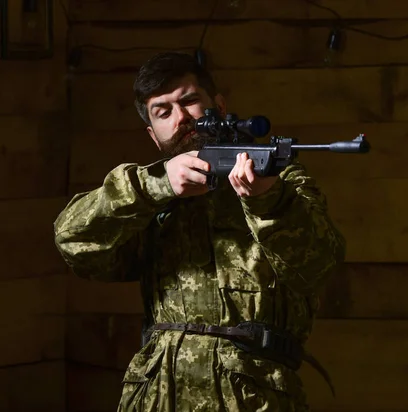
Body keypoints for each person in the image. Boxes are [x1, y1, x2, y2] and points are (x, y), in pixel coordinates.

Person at [53, 51, 346, 411]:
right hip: (158, 397)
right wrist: (153, 187)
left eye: (189, 101)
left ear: (219, 107)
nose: (181, 118)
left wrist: (268, 201)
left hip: (250, 398)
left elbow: (319, 266)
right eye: (163, 111)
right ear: (152, 133)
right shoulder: (149, 196)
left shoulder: (281, 183)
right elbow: (73, 241)